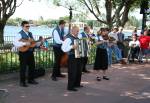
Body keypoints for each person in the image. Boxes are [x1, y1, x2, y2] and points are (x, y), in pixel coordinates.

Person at [13, 21, 38, 87]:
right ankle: (22, 82)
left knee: (32, 66)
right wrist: (24, 43)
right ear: (22, 27)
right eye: (26, 26)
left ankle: (31, 80)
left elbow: (33, 43)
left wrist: (39, 43)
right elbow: (15, 43)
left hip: (30, 52)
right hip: (23, 52)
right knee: (23, 68)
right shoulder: (19, 34)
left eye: (28, 26)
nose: (28, 27)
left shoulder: (30, 33)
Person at [61, 26, 82, 91]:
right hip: (72, 57)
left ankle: (77, 84)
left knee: (79, 71)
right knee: (72, 72)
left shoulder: (77, 38)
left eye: (78, 31)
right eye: (77, 31)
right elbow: (63, 48)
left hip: (78, 56)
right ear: (72, 31)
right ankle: (70, 87)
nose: (78, 32)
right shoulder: (69, 39)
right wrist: (71, 46)